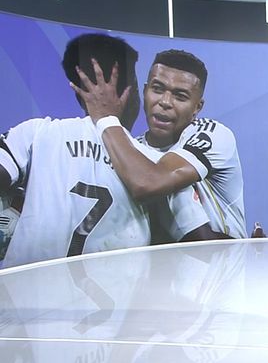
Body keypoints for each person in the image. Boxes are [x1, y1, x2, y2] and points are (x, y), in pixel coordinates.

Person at [0, 34, 215, 268]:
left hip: (28, 290)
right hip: (116, 292)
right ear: (131, 92)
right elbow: (205, 248)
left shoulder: (36, 134)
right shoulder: (157, 166)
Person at [74, 49, 247, 239]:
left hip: (225, 258)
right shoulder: (133, 152)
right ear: (145, 91)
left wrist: (106, 118)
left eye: (180, 96)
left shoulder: (213, 134)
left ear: (197, 107)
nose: (165, 102)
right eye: (157, 89)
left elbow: (148, 182)